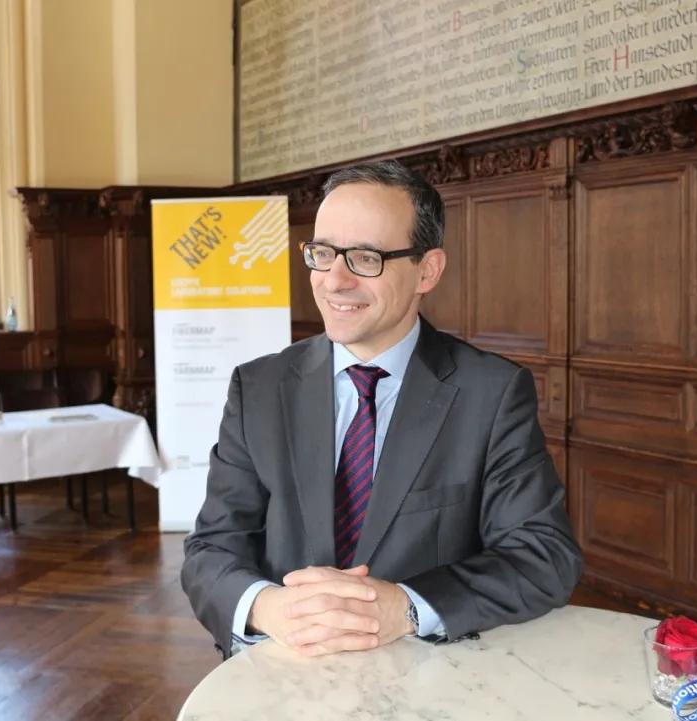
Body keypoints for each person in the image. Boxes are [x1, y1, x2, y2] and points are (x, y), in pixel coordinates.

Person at [182, 159, 582, 659]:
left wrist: (407, 607)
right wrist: (270, 608)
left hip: (429, 673)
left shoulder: (492, 393)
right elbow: (211, 549)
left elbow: (544, 556)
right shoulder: (258, 388)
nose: (334, 280)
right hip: (285, 667)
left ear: (427, 271)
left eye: (365, 258)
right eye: (322, 253)